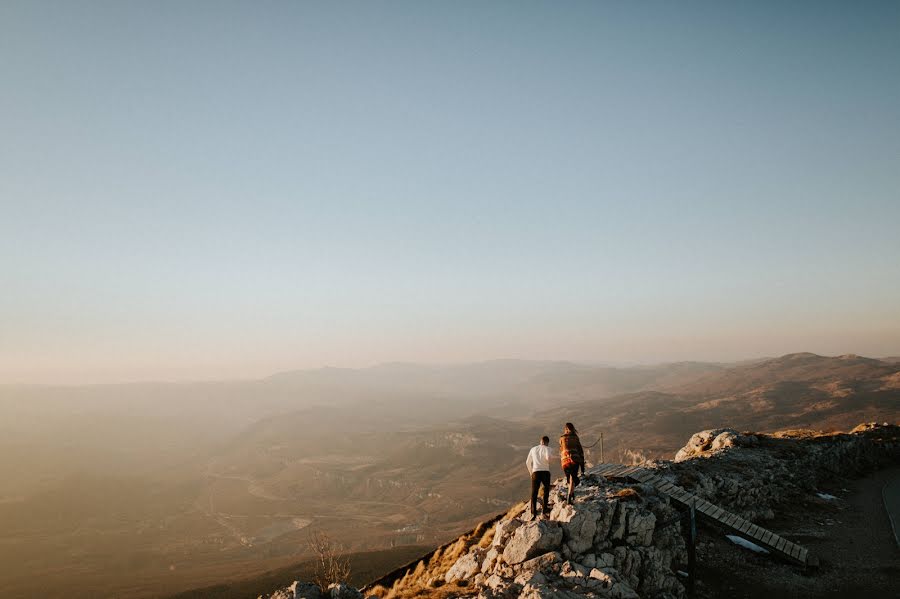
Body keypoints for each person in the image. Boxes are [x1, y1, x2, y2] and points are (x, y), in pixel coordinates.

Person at [525, 435, 553, 519]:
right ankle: (545, 509)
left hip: (535, 472)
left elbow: (527, 462)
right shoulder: (548, 448)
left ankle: (533, 511)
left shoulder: (533, 449)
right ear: (547, 443)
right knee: (546, 490)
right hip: (545, 472)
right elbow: (548, 458)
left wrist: (531, 473)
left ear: (540, 441)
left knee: (534, 492)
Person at [559, 422, 585, 504]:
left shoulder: (561, 438)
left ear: (565, 429)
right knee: (573, 478)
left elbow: (561, 449)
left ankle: (571, 494)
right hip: (574, 460)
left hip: (565, 462)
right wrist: (582, 465)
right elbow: (580, 450)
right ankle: (570, 495)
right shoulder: (575, 437)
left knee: (569, 478)